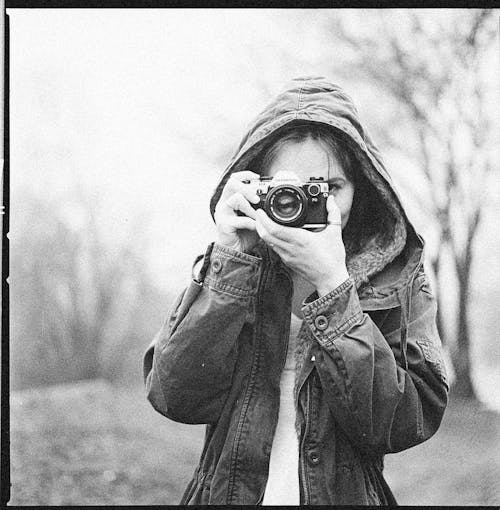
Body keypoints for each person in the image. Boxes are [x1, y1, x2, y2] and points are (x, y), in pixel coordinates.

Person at [143, 76, 449, 505]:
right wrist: (231, 261)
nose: (309, 205)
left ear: (361, 189)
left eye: (327, 188)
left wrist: (334, 288)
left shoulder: (395, 276)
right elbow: (173, 396)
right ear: (257, 186)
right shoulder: (235, 264)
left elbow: (407, 421)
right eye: (289, 189)